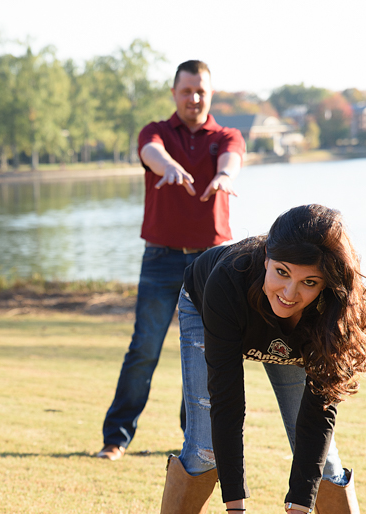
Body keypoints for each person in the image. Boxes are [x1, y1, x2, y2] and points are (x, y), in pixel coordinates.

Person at [136, 204, 366, 514]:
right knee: (202, 448)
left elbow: (316, 421)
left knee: (326, 461)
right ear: (268, 258)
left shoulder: (332, 311)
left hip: (295, 340)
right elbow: (227, 405)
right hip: (208, 308)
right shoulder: (229, 280)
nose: (290, 292)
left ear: (327, 284)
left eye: (309, 282)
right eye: (281, 272)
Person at [96, 59, 245, 461]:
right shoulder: (156, 132)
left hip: (213, 262)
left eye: (201, 91)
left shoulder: (227, 134)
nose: (194, 98)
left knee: (203, 351)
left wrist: (225, 177)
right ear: (174, 93)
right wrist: (168, 167)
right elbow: (151, 152)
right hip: (161, 259)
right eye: (186, 91)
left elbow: (232, 159)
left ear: (209, 93)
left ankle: (195, 441)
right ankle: (116, 438)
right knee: (144, 348)